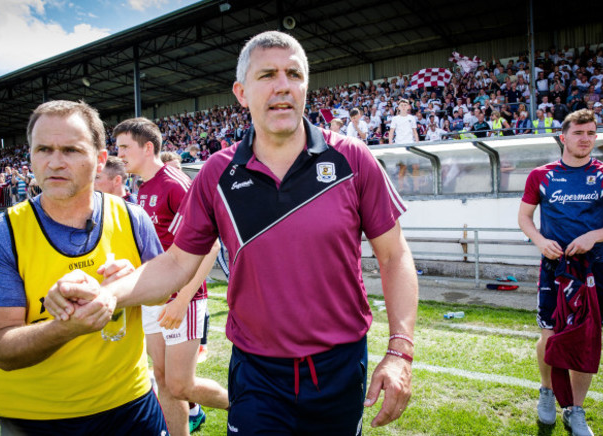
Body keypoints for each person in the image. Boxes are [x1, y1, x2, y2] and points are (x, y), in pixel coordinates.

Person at [46, 31, 418, 435]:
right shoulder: (216, 174)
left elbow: (394, 256)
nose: (282, 85)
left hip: (339, 367)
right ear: (241, 92)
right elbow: (176, 264)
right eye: (268, 75)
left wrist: (400, 350)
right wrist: (110, 293)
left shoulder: (351, 158)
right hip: (257, 371)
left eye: (293, 74)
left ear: (305, 87)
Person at [0, 100, 168, 435]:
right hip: (37, 418)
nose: (55, 162)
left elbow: (161, 294)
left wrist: (130, 286)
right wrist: (66, 327)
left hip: (132, 404)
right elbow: (1, 349)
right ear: (31, 156)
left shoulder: (132, 217)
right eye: (43, 149)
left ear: (100, 160)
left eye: (71, 150)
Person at [114, 117, 227, 436]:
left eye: (125, 147)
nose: (119, 153)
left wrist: (182, 301)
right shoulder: (143, 185)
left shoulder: (174, 183)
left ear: (147, 147)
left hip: (182, 300)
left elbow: (210, 244)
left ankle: (251, 408)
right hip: (156, 296)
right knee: (163, 379)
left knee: (180, 384)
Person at [518, 109, 603, 436]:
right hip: (554, 267)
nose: (586, 139)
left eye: (591, 133)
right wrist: (539, 240)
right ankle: (547, 393)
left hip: (593, 269)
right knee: (549, 334)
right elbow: (524, 219)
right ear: (564, 137)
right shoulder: (541, 175)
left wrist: (594, 236)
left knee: (586, 338)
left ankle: (575, 410)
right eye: (579, 133)